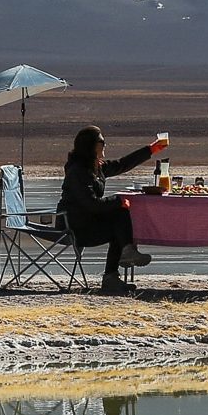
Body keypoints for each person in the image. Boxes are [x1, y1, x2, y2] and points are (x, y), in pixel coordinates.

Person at [57, 125, 167, 294]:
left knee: (119, 219)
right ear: (91, 145)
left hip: (86, 222)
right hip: (75, 227)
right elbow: (92, 204)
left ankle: (115, 271)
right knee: (119, 216)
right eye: (102, 142)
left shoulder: (94, 166)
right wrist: (118, 200)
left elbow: (121, 164)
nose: (105, 145)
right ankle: (121, 262)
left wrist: (151, 149)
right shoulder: (78, 171)